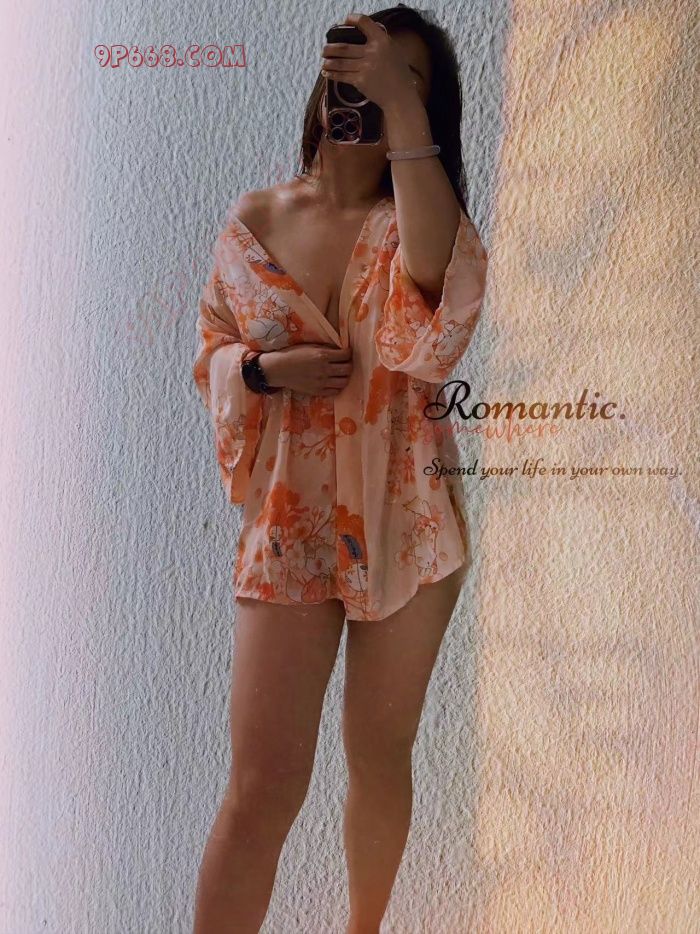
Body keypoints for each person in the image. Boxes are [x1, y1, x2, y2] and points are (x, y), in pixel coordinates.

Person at [191, 6, 488, 931]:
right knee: (261, 785)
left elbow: (435, 301)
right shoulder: (256, 218)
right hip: (290, 519)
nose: (372, 91)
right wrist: (260, 370)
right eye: (359, 72)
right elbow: (212, 349)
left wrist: (403, 113)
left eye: (403, 81)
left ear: (424, 107)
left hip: (408, 513)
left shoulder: (417, 223)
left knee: (378, 754)